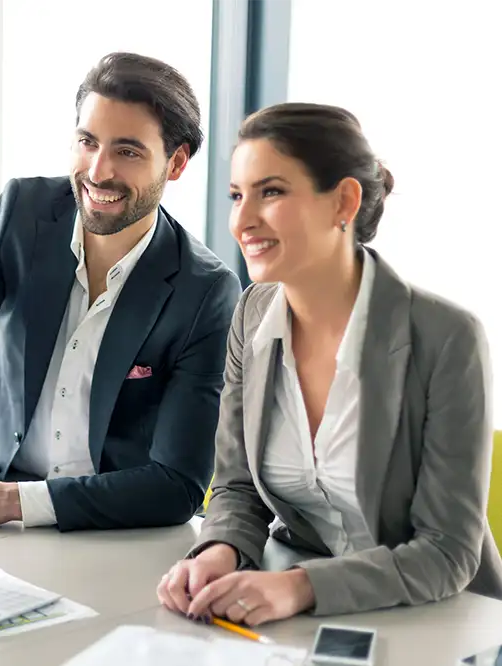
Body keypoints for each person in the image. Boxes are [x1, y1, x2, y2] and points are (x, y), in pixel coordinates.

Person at [156, 102, 502, 625]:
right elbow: (236, 487)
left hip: (435, 620)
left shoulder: (445, 337)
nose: (242, 220)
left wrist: (299, 588)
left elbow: (447, 552)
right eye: (236, 196)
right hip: (298, 620)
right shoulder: (252, 315)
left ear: (343, 200)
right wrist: (218, 551)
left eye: (270, 192)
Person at [0, 52, 241, 531]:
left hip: (96, 524)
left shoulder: (205, 291)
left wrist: (13, 502)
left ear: (175, 163)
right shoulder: (20, 213)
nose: (98, 171)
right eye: (87, 142)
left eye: (127, 151)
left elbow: (178, 485)